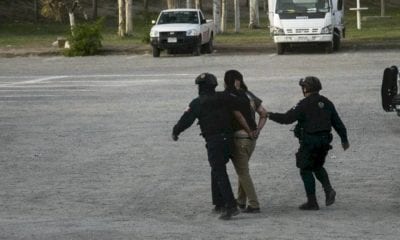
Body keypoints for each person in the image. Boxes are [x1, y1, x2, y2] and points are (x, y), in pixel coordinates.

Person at [172, 73, 254, 220]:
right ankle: (219, 202)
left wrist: (175, 131)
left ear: (201, 87)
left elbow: (186, 120)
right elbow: (242, 104)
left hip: (215, 141)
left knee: (219, 171)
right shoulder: (225, 97)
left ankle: (231, 206)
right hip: (229, 139)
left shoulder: (198, 102)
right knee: (216, 169)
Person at [266, 76, 350, 210]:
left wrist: (269, 115)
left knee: (305, 169)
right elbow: (337, 122)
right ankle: (328, 190)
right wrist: (344, 139)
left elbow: (287, 119)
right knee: (317, 166)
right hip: (324, 141)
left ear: (305, 88)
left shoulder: (303, 104)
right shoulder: (327, 102)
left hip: (310, 141)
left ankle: (312, 202)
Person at [224, 70, 267, 213]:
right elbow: (263, 113)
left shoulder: (230, 96)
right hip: (252, 140)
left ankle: (254, 204)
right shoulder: (249, 95)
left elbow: (239, 117)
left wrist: (248, 130)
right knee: (243, 170)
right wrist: (257, 130)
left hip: (240, 137)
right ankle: (241, 201)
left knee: (243, 172)